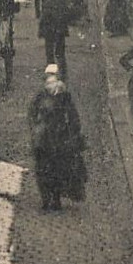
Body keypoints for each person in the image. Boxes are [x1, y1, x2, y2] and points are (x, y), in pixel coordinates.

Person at [28, 64, 87, 211]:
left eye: (53, 81)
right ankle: (48, 198)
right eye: (48, 82)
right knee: (45, 169)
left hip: (58, 138)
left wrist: (73, 134)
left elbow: (73, 117)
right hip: (46, 139)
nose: (51, 85)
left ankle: (54, 198)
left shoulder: (63, 97)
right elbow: (32, 114)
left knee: (56, 169)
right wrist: (36, 128)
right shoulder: (41, 97)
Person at [38, 0, 70, 78]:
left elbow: (44, 18)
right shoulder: (62, 2)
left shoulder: (47, 2)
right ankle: (63, 71)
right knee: (60, 52)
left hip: (50, 31)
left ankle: (52, 73)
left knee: (50, 52)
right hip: (60, 30)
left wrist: (41, 30)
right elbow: (67, 15)